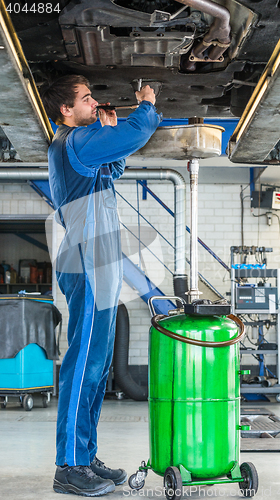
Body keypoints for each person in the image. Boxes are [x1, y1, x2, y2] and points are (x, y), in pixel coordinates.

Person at [41, 75, 161, 497]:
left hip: (98, 267)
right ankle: (68, 467)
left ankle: (85, 456)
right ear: (66, 111)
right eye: (86, 98)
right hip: (88, 267)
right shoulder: (74, 141)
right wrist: (145, 104)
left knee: (95, 370)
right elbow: (140, 131)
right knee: (82, 369)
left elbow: (112, 168)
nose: (94, 103)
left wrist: (108, 132)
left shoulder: (84, 148)